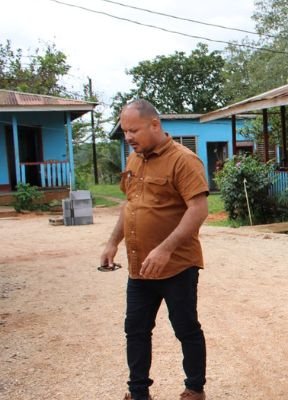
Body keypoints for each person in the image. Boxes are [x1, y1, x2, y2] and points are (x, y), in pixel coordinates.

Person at [100, 99, 209, 400]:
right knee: (135, 329)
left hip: (177, 265)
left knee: (185, 328)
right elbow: (130, 205)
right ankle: (138, 393)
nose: (128, 137)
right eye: (124, 131)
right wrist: (112, 241)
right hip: (140, 266)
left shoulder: (183, 160)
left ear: (155, 125)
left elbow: (198, 209)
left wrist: (165, 249)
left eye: (133, 130)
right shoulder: (134, 159)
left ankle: (194, 388)